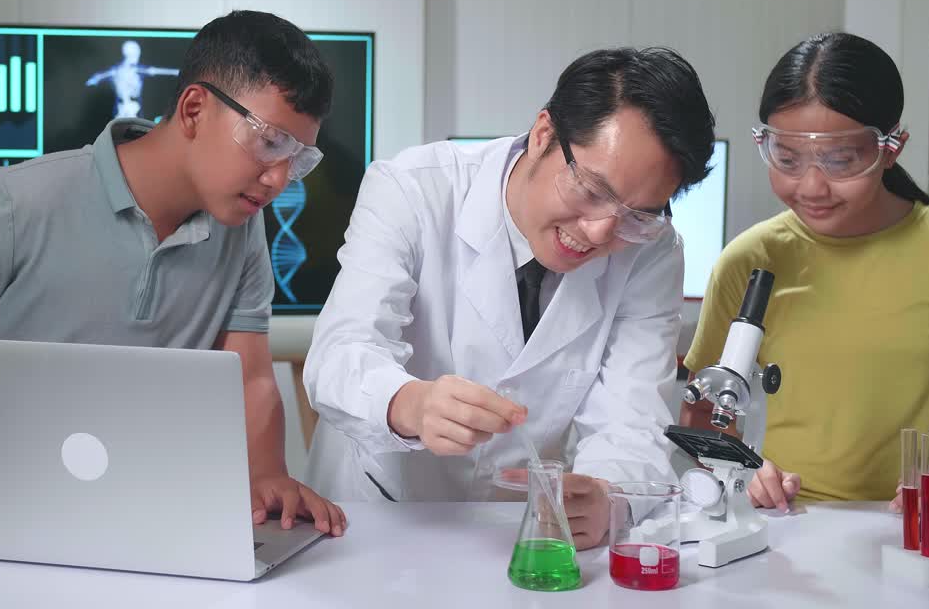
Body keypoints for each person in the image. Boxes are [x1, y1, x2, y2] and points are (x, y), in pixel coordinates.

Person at [0, 10, 346, 536]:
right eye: (270, 143)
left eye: (297, 160)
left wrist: (269, 475)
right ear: (193, 110)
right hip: (20, 514)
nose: (278, 179)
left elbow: (251, 377)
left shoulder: (242, 230)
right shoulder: (18, 203)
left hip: (157, 515)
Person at [304, 47, 717, 548]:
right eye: (590, 189)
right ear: (544, 134)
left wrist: (611, 498)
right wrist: (409, 402)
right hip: (372, 510)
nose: (600, 231)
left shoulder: (651, 250)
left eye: (639, 214)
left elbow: (631, 417)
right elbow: (341, 352)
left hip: (514, 530)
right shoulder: (413, 189)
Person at [682, 32, 929, 518]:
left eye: (841, 160)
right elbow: (701, 413)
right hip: (784, 528)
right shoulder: (748, 261)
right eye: (788, 159)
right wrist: (748, 469)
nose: (812, 186)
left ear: (892, 147)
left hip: (921, 528)